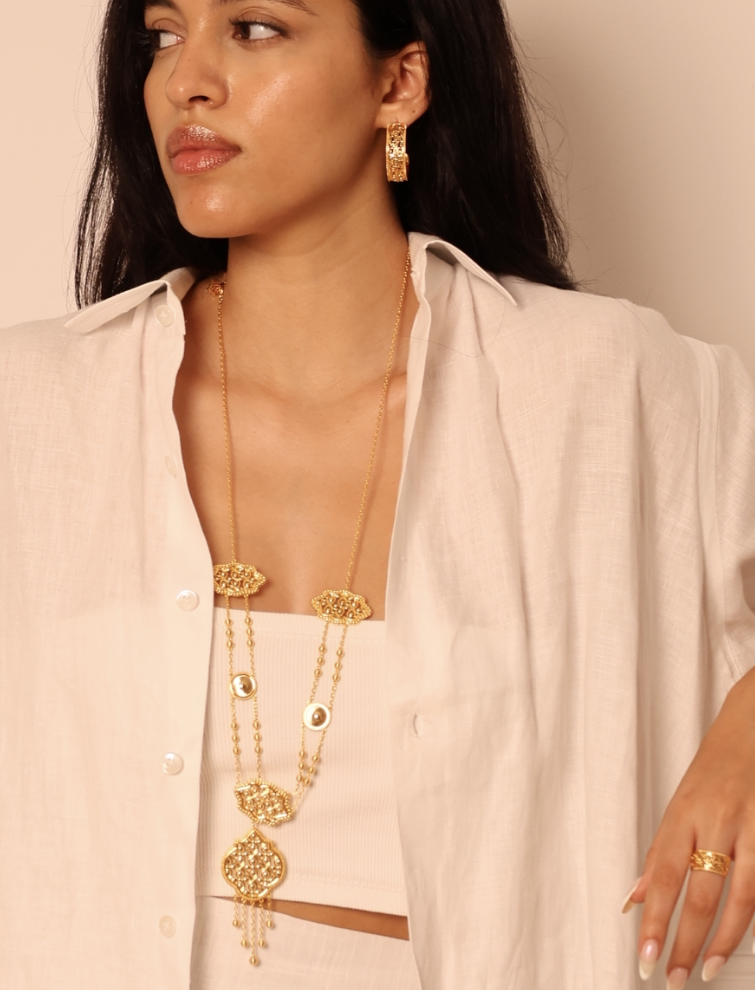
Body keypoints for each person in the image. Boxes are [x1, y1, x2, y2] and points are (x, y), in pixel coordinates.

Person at [1, 0, 755, 987]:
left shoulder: (600, 388)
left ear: (398, 84)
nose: (186, 80)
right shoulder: (34, 407)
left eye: (255, 28)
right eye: (162, 35)